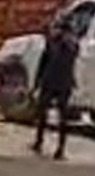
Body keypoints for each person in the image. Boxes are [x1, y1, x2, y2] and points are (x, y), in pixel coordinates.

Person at [32, 18, 78, 160]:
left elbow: (46, 61)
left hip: (56, 82)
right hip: (56, 82)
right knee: (45, 113)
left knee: (59, 117)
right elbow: (44, 61)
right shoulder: (59, 42)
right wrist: (37, 82)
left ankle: (58, 147)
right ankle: (41, 142)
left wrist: (38, 81)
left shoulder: (66, 44)